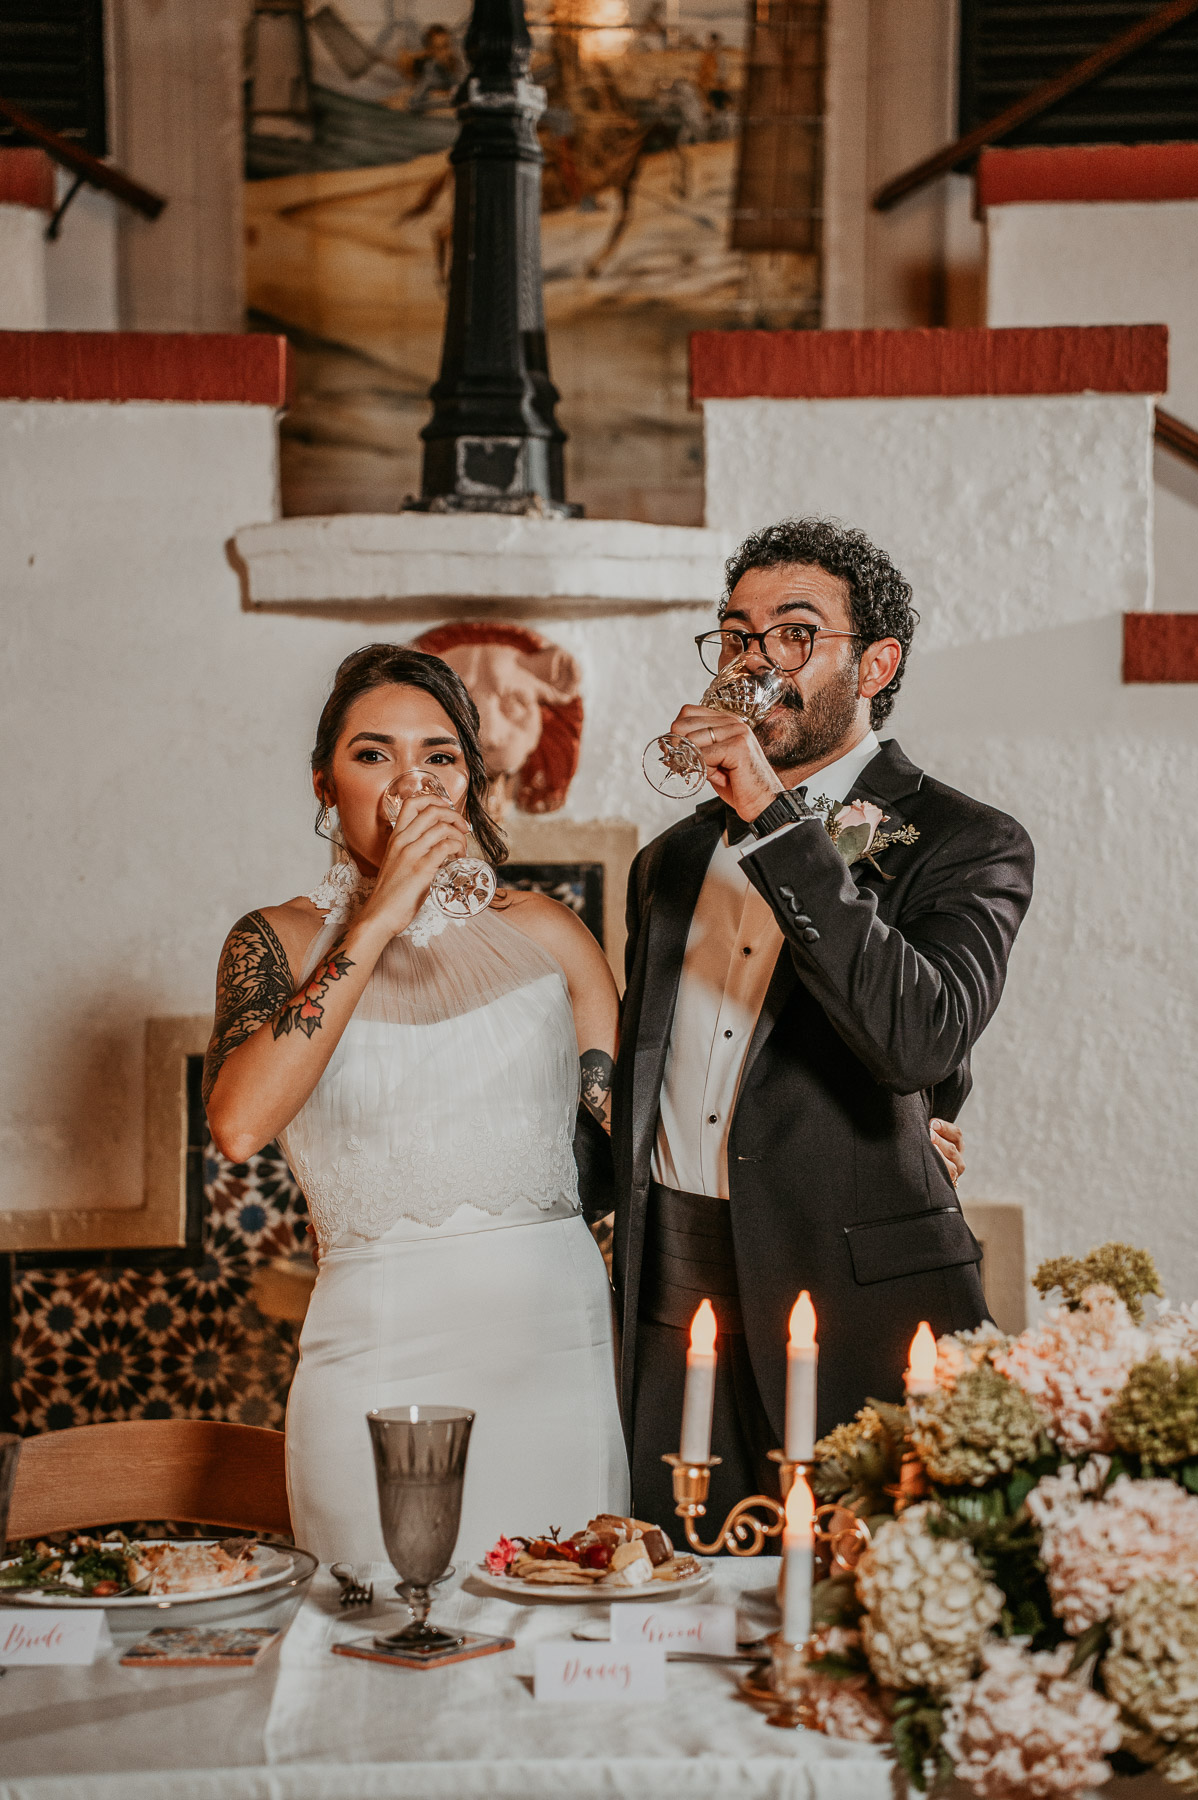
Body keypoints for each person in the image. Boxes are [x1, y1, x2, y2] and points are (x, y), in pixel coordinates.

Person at [610, 517, 1035, 1541]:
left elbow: (918, 1041)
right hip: (676, 1295)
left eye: (795, 635)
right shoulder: (667, 862)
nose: (757, 662)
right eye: (739, 637)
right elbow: (649, 1074)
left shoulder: (969, 842)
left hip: (858, 1299)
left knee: (865, 1609)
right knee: (680, 1594)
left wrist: (773, 818)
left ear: (877, 663)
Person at [203, 646, 629, 1563]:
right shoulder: (272, 940)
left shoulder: (549, 934)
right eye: (374, 754)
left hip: (554, 1356)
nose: (411, 782)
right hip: (376, 1353)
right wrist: (380, 913)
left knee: (561, 1634)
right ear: (326, 782)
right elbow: (239, 1125)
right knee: (371, 1653)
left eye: (438, 756)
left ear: (471, 784)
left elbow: (642, 1142)